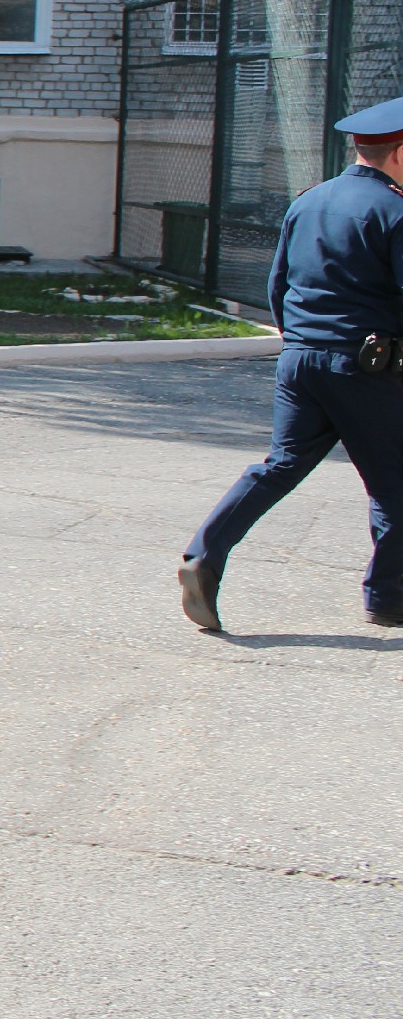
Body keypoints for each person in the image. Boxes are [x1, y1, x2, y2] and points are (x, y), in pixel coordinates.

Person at [179, 97, 403, 633]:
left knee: (280, 466)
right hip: (366, 368)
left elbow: (278, 285)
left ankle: (203, 556)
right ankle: (388, 597)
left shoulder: (310, 201)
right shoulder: (396, 212)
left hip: (299, 360)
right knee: (394, 485)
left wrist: (303, 341)